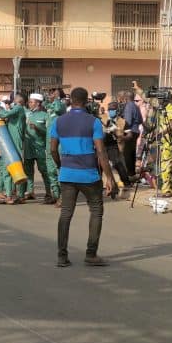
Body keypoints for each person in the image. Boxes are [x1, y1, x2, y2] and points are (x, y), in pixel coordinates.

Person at [50, 87, 115, 268]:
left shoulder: (58, 121)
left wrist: (60, 166)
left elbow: (53, 149)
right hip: (88, 174)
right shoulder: (93, 122)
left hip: (67, 174)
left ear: (71, 101)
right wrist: (109, 178)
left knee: (66, 214)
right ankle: (91, 254)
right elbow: (101, 151)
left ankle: (62, 256)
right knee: (96, 211)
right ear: (86, 101)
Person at [23, 93, 55, 203]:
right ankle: (30, 191)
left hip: (40, 147)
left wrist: (37, 128)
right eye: (29, 102)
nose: (30, 104)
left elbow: (48, 132)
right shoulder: (26, 113)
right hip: (28, 147)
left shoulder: (45, 115)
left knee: (44, 171)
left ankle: (49, 193)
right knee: (28, 171)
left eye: (32, 102)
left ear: (38, 103)